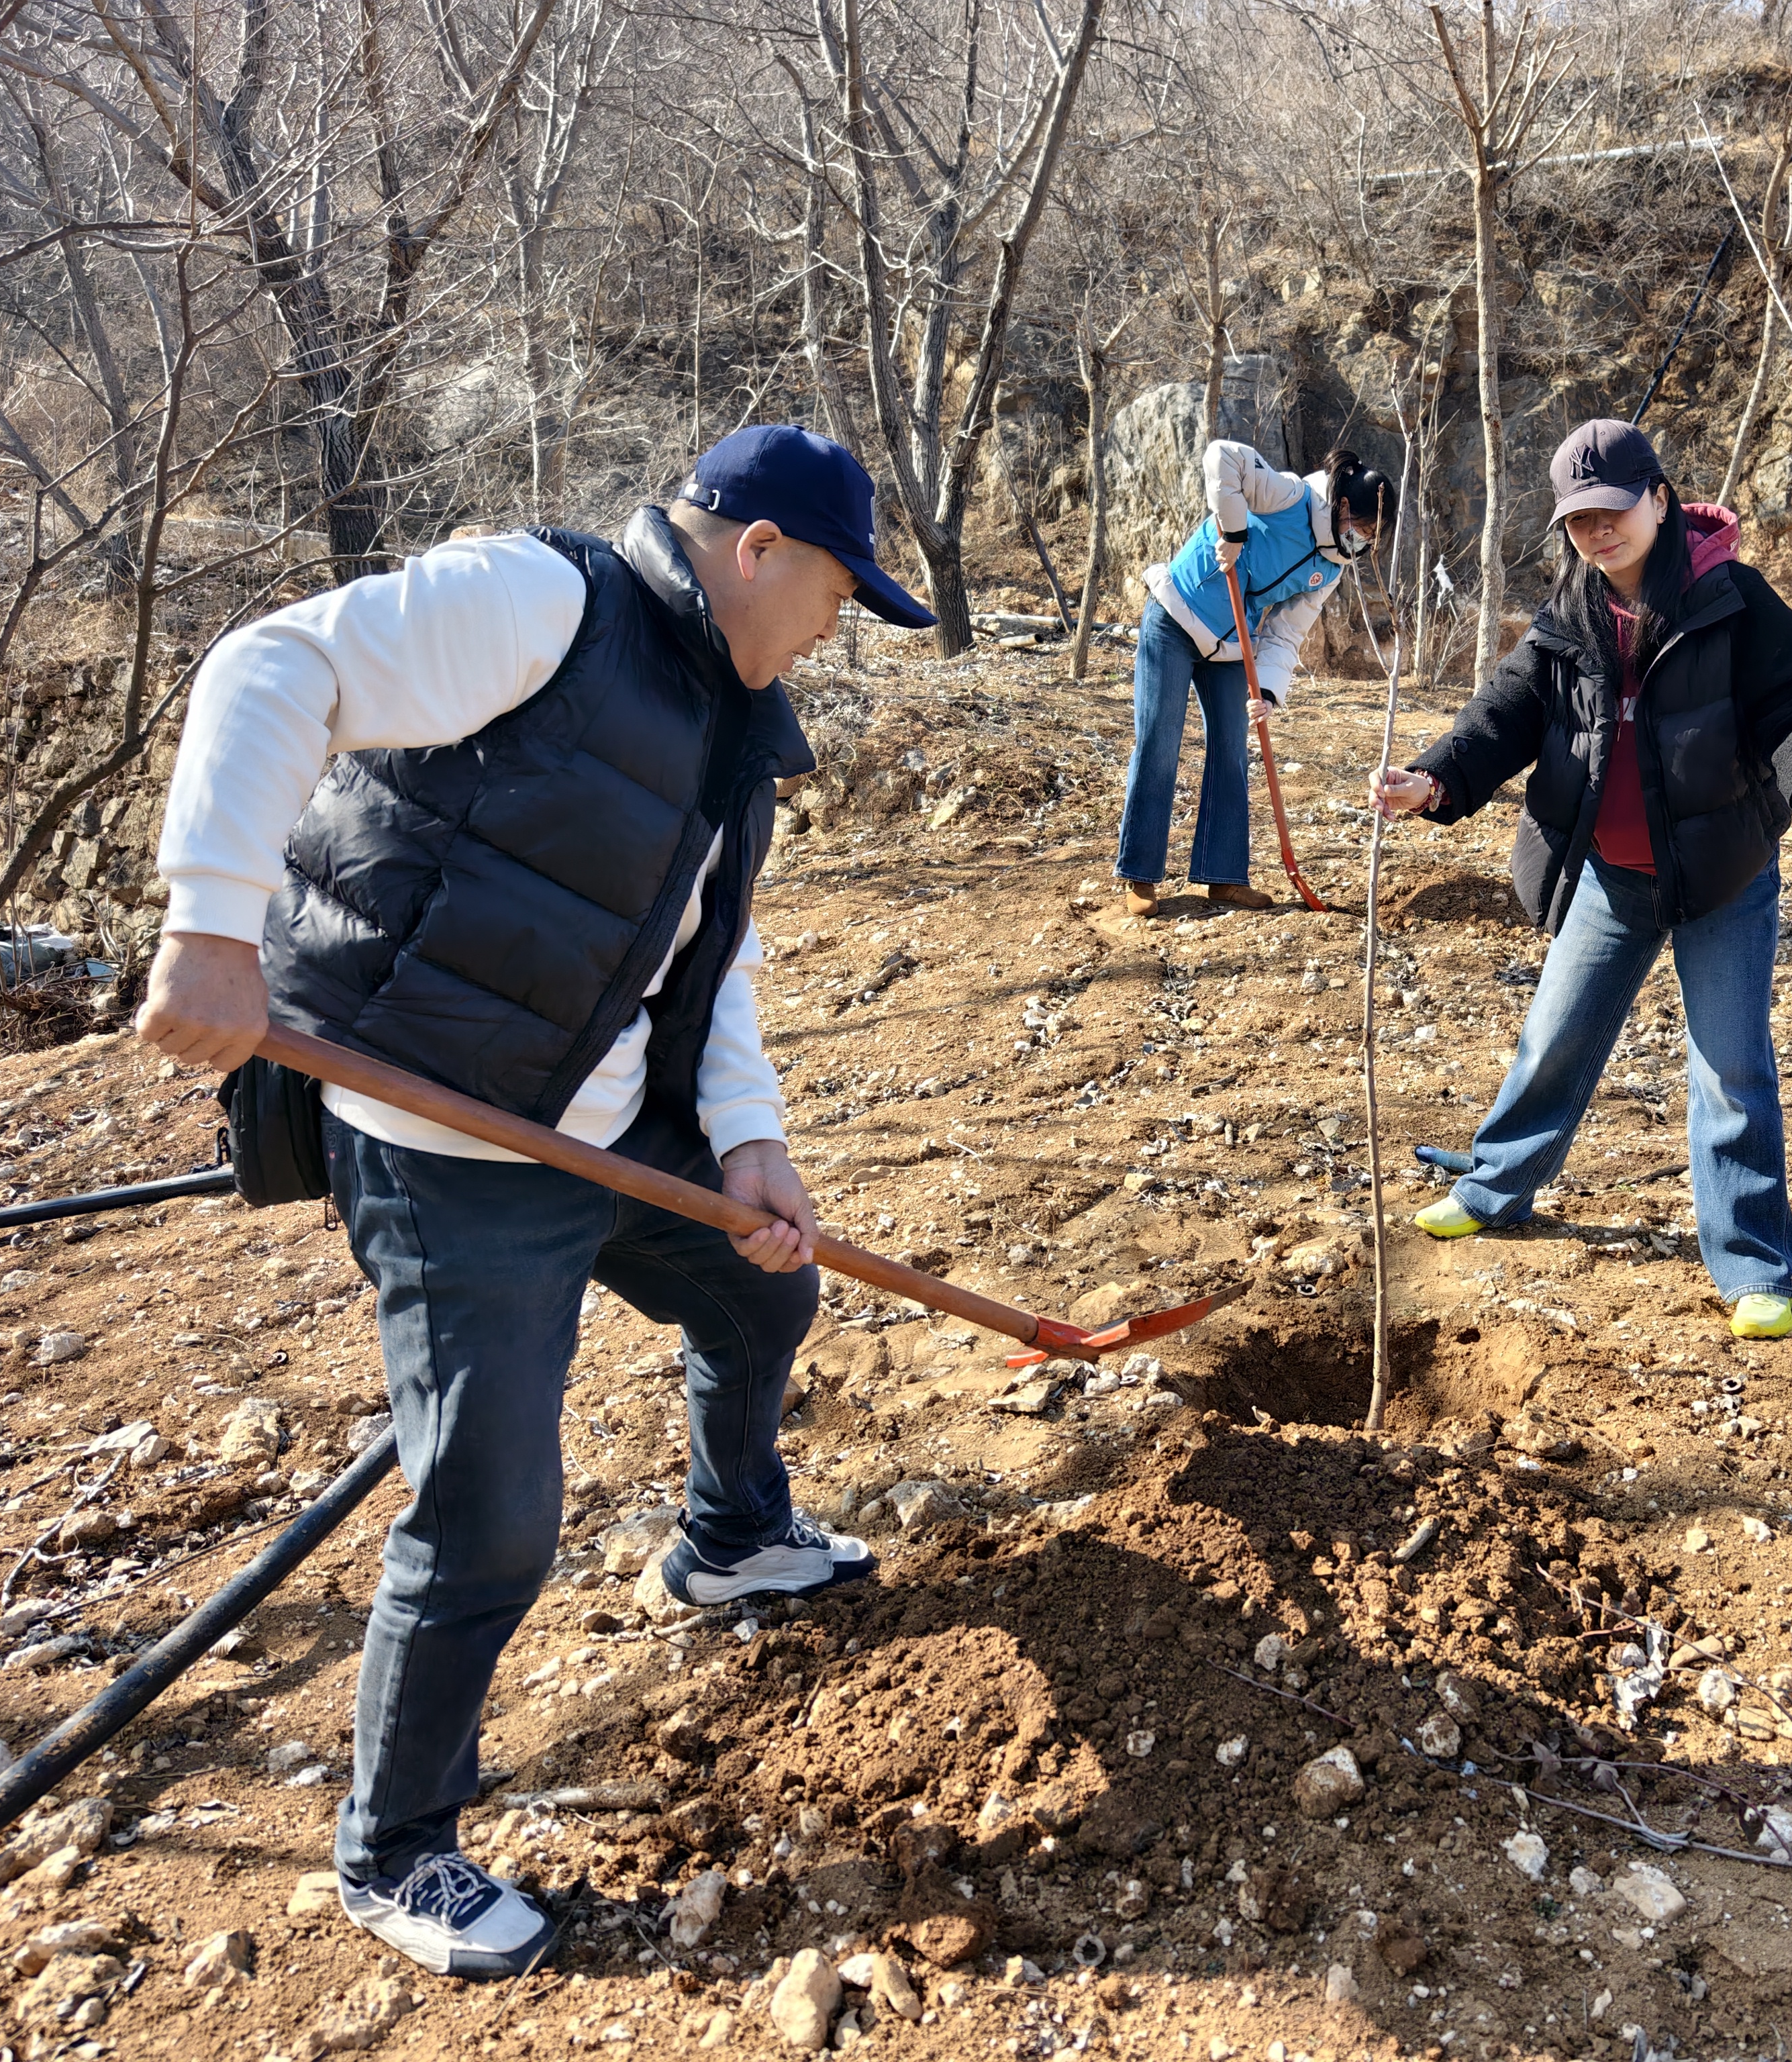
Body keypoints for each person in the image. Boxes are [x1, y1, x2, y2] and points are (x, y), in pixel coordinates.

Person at [136, 426, 936, 1981]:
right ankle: (396, 1846)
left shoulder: (726, 716)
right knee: (495, 1502)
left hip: (602, 1116)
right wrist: (212, 919)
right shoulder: (543, 603)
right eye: (840, 591)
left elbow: (708, 959)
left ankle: (731, 1535)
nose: (838, 628)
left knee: (760, 1283)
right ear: (756, 548)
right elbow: (269, 662)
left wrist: (748, 1141)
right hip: (445, 1141)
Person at [1371, 419, 1792, 1343]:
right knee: (1552, 1038)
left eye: (1612, 511)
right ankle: (1493, 1190)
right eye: (1578, 520)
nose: (1598, 533)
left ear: (1658, 496)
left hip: (1722, 877)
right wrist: (1434, 780)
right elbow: (1507, 712)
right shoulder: (1571, 611)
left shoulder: (1735, 600)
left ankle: (1758, 1267)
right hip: (1610, 876)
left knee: (1731, 1073)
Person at [1115, 441, 1394, 915]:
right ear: (1344, 506)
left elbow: (1286, 634)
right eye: (1364, 528)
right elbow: (1223, 456)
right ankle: (1140, 877)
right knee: (1160, 740)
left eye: (1373, 536)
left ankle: (1222, 877)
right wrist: (1236, 530)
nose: (1364, 542)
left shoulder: (1329, 569)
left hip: (1229, 645)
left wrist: (1264, 690)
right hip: (1175, 614)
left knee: (1231, 750)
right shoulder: (1290, 497)